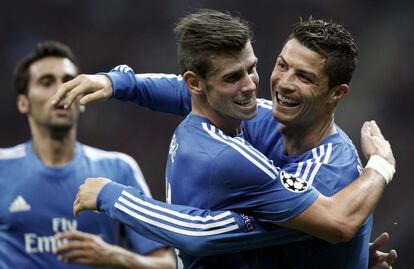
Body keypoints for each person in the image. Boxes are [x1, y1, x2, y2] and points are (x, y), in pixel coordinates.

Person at [53, 10, 396, 268]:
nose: (283, 83)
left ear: (337, 94)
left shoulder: (330, 174)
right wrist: (118, 83)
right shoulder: (261, 116)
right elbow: (191, 91)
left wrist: (380, 164)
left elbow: (338, 223)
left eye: (304, 76)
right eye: (281, 65)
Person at [0, 41, 175, 269]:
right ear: (23, 103)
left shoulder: (118, 169)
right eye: (46, 82)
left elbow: (166, 264)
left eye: (68, 81)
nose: (60, 90)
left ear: (83, 99)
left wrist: (114, 256)